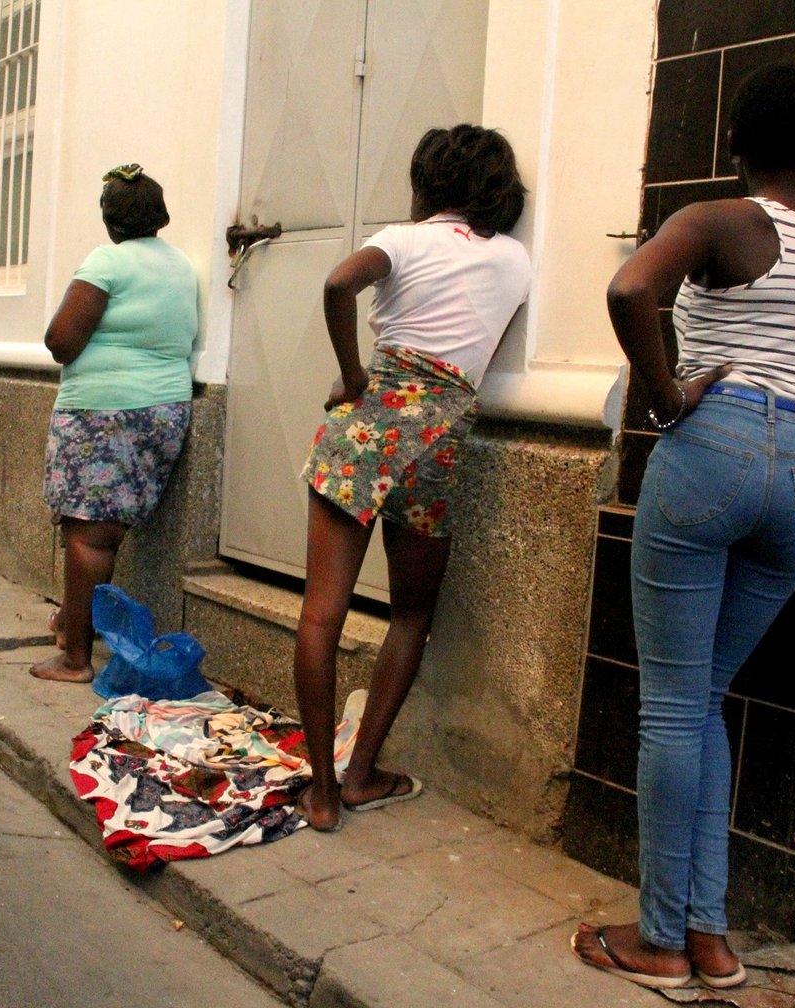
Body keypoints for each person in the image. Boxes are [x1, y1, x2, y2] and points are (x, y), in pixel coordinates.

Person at [570, 63, 795, 989]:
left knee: (673, 706)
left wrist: (671, 400)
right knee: (704, 701)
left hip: (710, 446)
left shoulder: (720, 220)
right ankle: (709, 939)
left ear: (739, 144)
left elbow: (631, 292)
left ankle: (663, 941)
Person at [291, 125, 532, 833]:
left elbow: (339, 281)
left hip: (364, 429)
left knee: (320, 615)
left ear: (428, 184)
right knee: (411, 614)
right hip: (439, 440)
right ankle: (362, 772)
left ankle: (323, 795)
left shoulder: (404, 239)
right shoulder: (516, 259)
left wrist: (356, 372)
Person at [32, 164, 199, 683]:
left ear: (109, 219)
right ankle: (71, 620)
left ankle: (76, 658)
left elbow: (61, 339)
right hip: (164, 410)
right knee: (96, 529)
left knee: (89, 535)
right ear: (161, 214)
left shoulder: (107, 260)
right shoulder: (182, 267)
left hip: (104, 413)